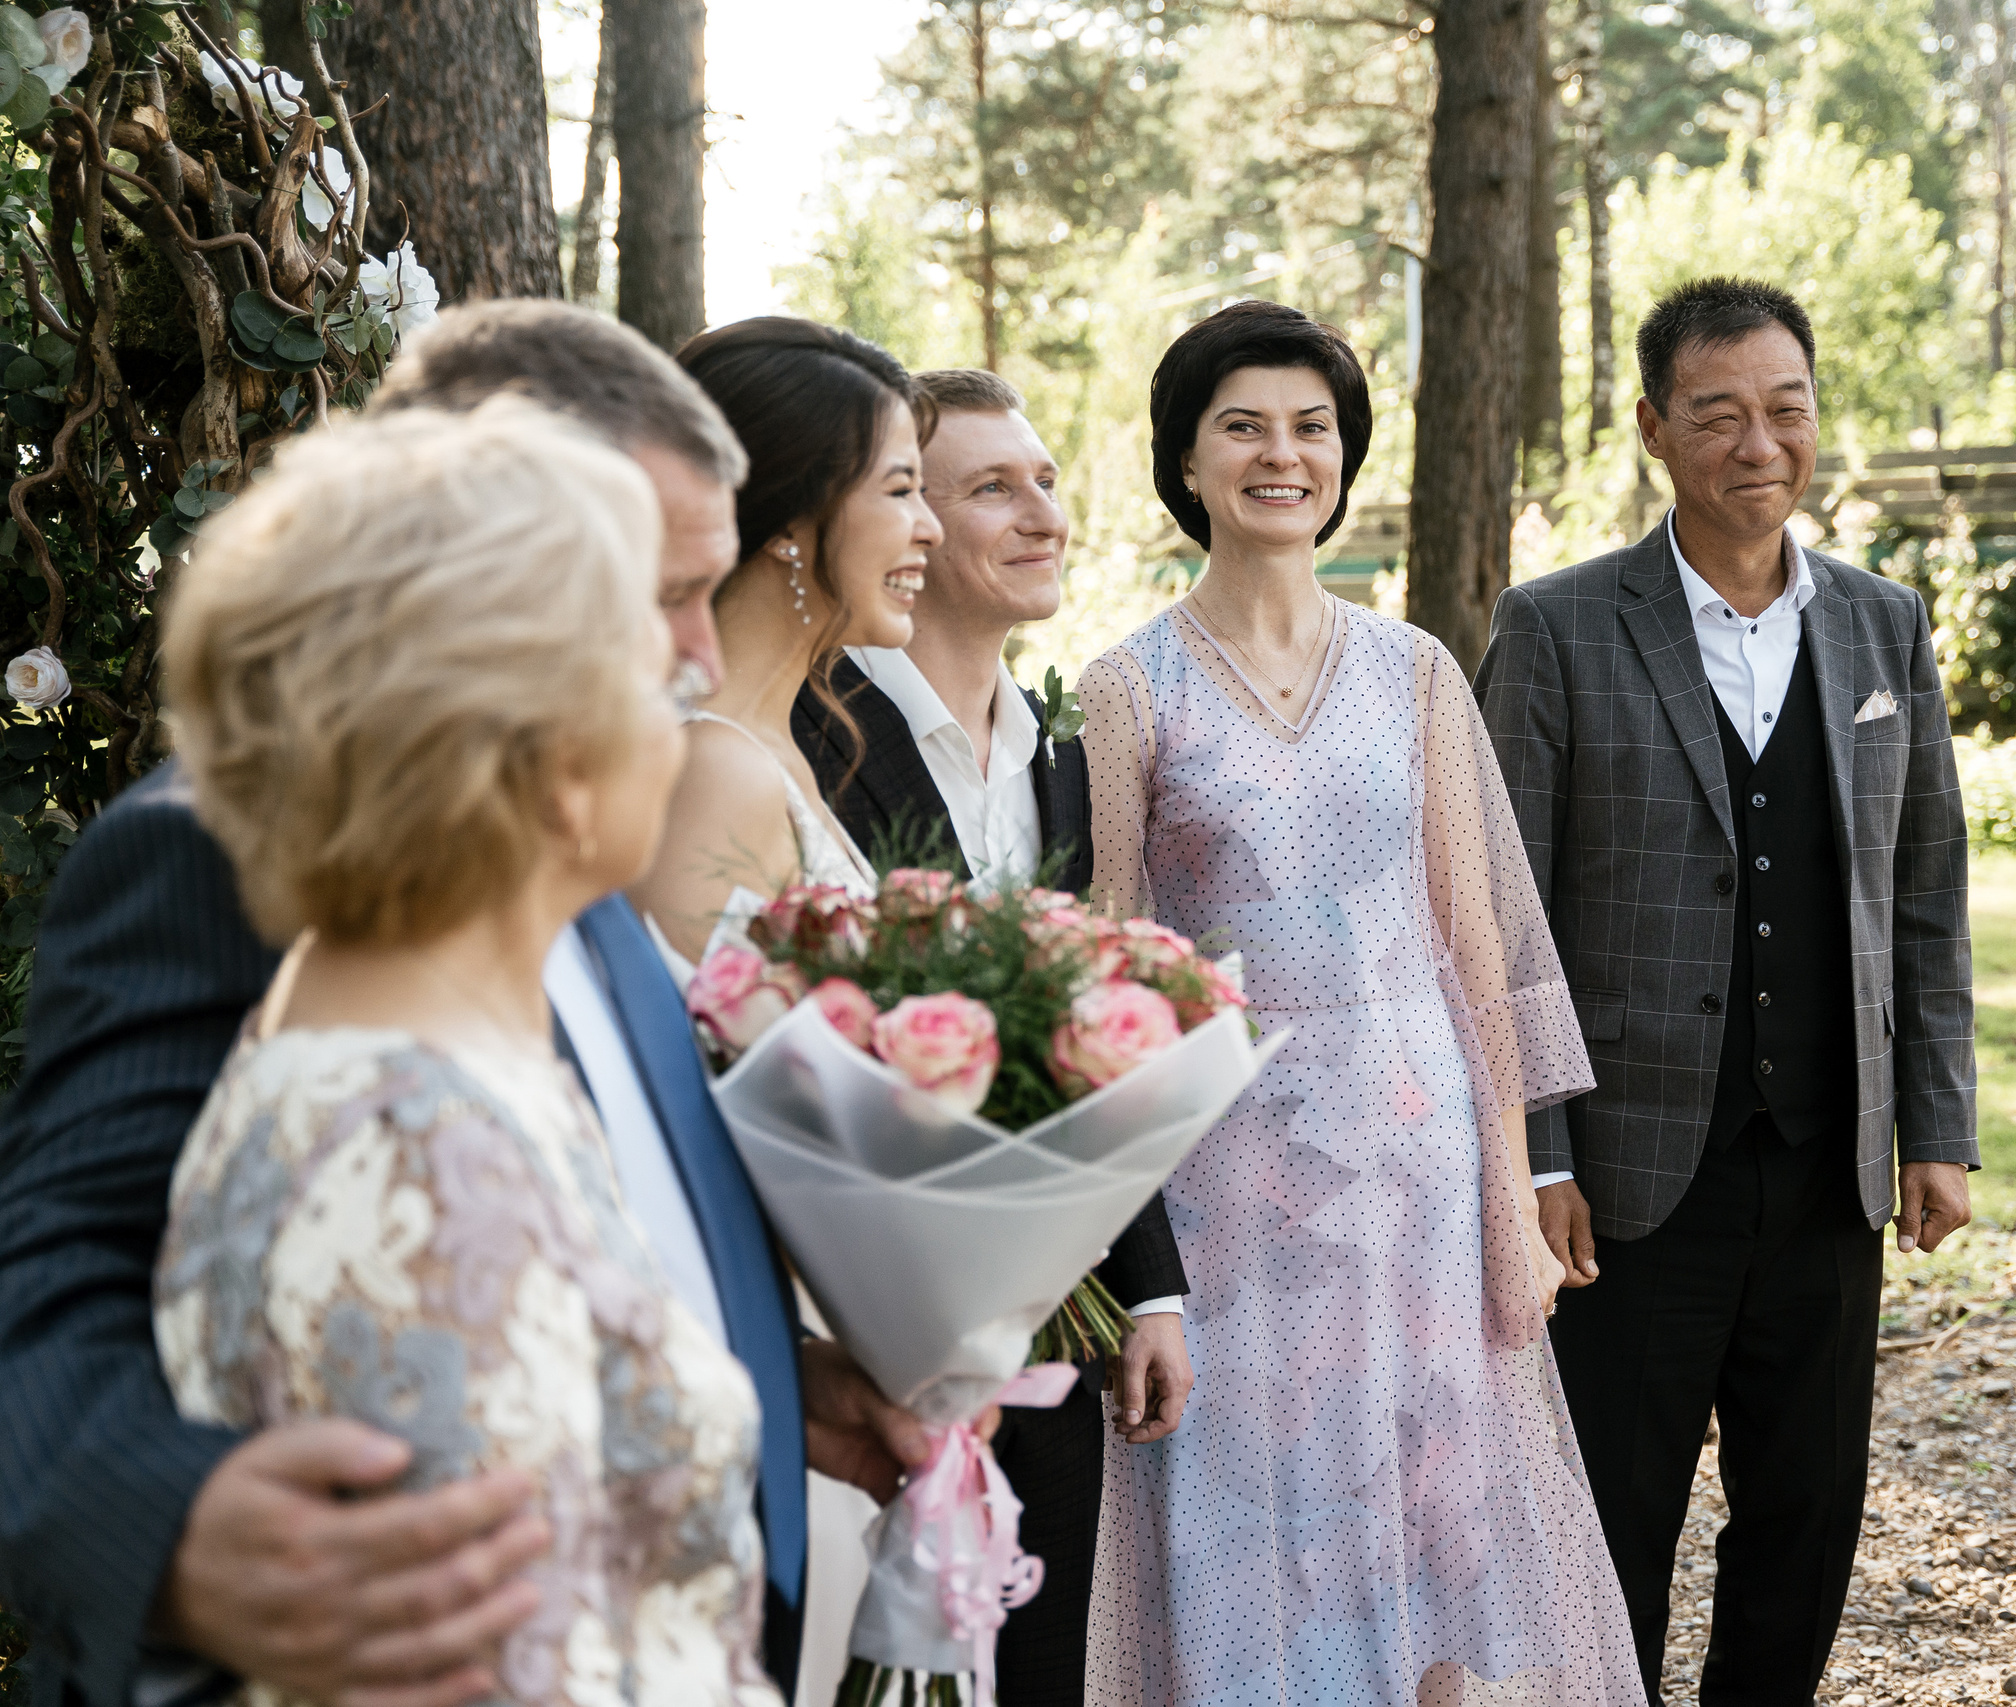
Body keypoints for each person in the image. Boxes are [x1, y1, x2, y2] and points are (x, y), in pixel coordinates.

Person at [0, 302, 929, 1707]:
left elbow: (578, 1216)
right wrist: (174, 1533)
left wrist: (741, 1374)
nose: (695, 652)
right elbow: (51, 1263)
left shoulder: (582, 860)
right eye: (661, 591)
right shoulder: (213, 854)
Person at [149, 400, 783, 1707]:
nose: (696, 687)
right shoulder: (420, 1156)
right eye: (649, 665)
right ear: (551, 756)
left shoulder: (427, 1060)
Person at [1076, 300, 1647, 1706]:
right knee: (1254, 1504)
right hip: (1229, 1181)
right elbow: (1102, 972)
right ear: (1187, 460)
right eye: (1244, 427)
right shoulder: (1126, 689)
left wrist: (1514, 1191)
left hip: (1420, 1169)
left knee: (1433, 1501)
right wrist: (1129, 1258)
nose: (1283, 454)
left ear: (1344, 456)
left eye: (1311, 427)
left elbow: (1477, 952)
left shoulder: (1416, 671)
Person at [1471, 276, 1980, 1707]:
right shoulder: (1557, 626)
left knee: (1807, 1521)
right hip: (1626, 1178)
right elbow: (1499, 919)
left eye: (1785, 408)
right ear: (1653, 427)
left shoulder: (1885, 624)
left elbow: (1926, 892)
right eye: (1718, 414)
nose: (1760, 443)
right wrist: (1538, 1155)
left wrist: (1936, 1126)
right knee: (1609, 1529)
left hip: (1829, 1165)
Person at [789, 367, 1191, 1706]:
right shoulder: (809, 742)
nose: (1043, 515)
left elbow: (1090, 1048)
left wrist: (1150, 1289)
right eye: (989, 489)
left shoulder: (1059, 758)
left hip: (1057, 1331)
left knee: (1039, 1675)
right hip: (865, 1334)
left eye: (1048, 482)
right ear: (906, 520)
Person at [633, 318, 942, 962]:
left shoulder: (773, 746)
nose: (930, 528)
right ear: (786, 524)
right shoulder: (718, 771)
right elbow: (691, 1023)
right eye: (901, 490)